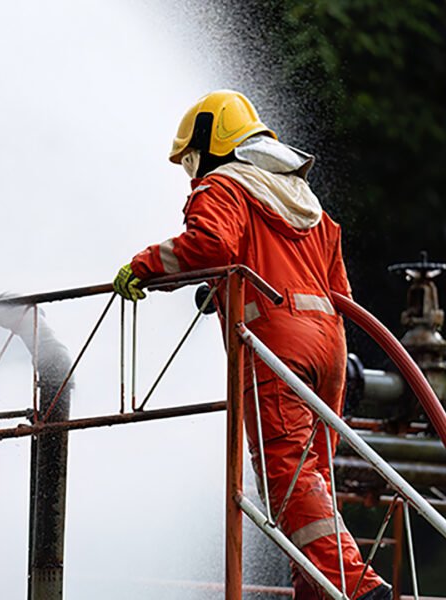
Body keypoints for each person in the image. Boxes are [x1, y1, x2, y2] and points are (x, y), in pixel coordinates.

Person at [113, 90, 392, 600]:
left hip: (272, 346)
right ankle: (319, 593)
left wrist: (144, 267)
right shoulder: (303, 201)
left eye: (192, 161)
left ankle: (355, 587)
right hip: (328, 348)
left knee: (287, 477)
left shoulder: (223, 185)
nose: (192, 174)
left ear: (210, 144)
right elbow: (335, 290)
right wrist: (220, 289)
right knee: (313, 481)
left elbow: (211, 244)